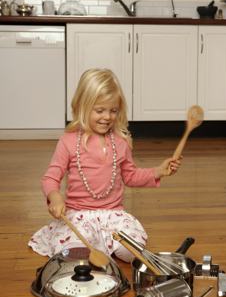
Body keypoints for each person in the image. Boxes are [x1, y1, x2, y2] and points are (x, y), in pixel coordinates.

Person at [28, 68, 181, 262]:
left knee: (133, 251)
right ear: (83, 107)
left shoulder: (120, 142)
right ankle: (85, 249)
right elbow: (50, 177)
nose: (107, 117)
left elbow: (131, 176)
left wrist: (158, 171)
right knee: (72, 253)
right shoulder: (68, 141)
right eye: (100, 110)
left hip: (114, 216)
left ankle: (113, 247)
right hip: (79, 216)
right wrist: (55, 197)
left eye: (113, 111)